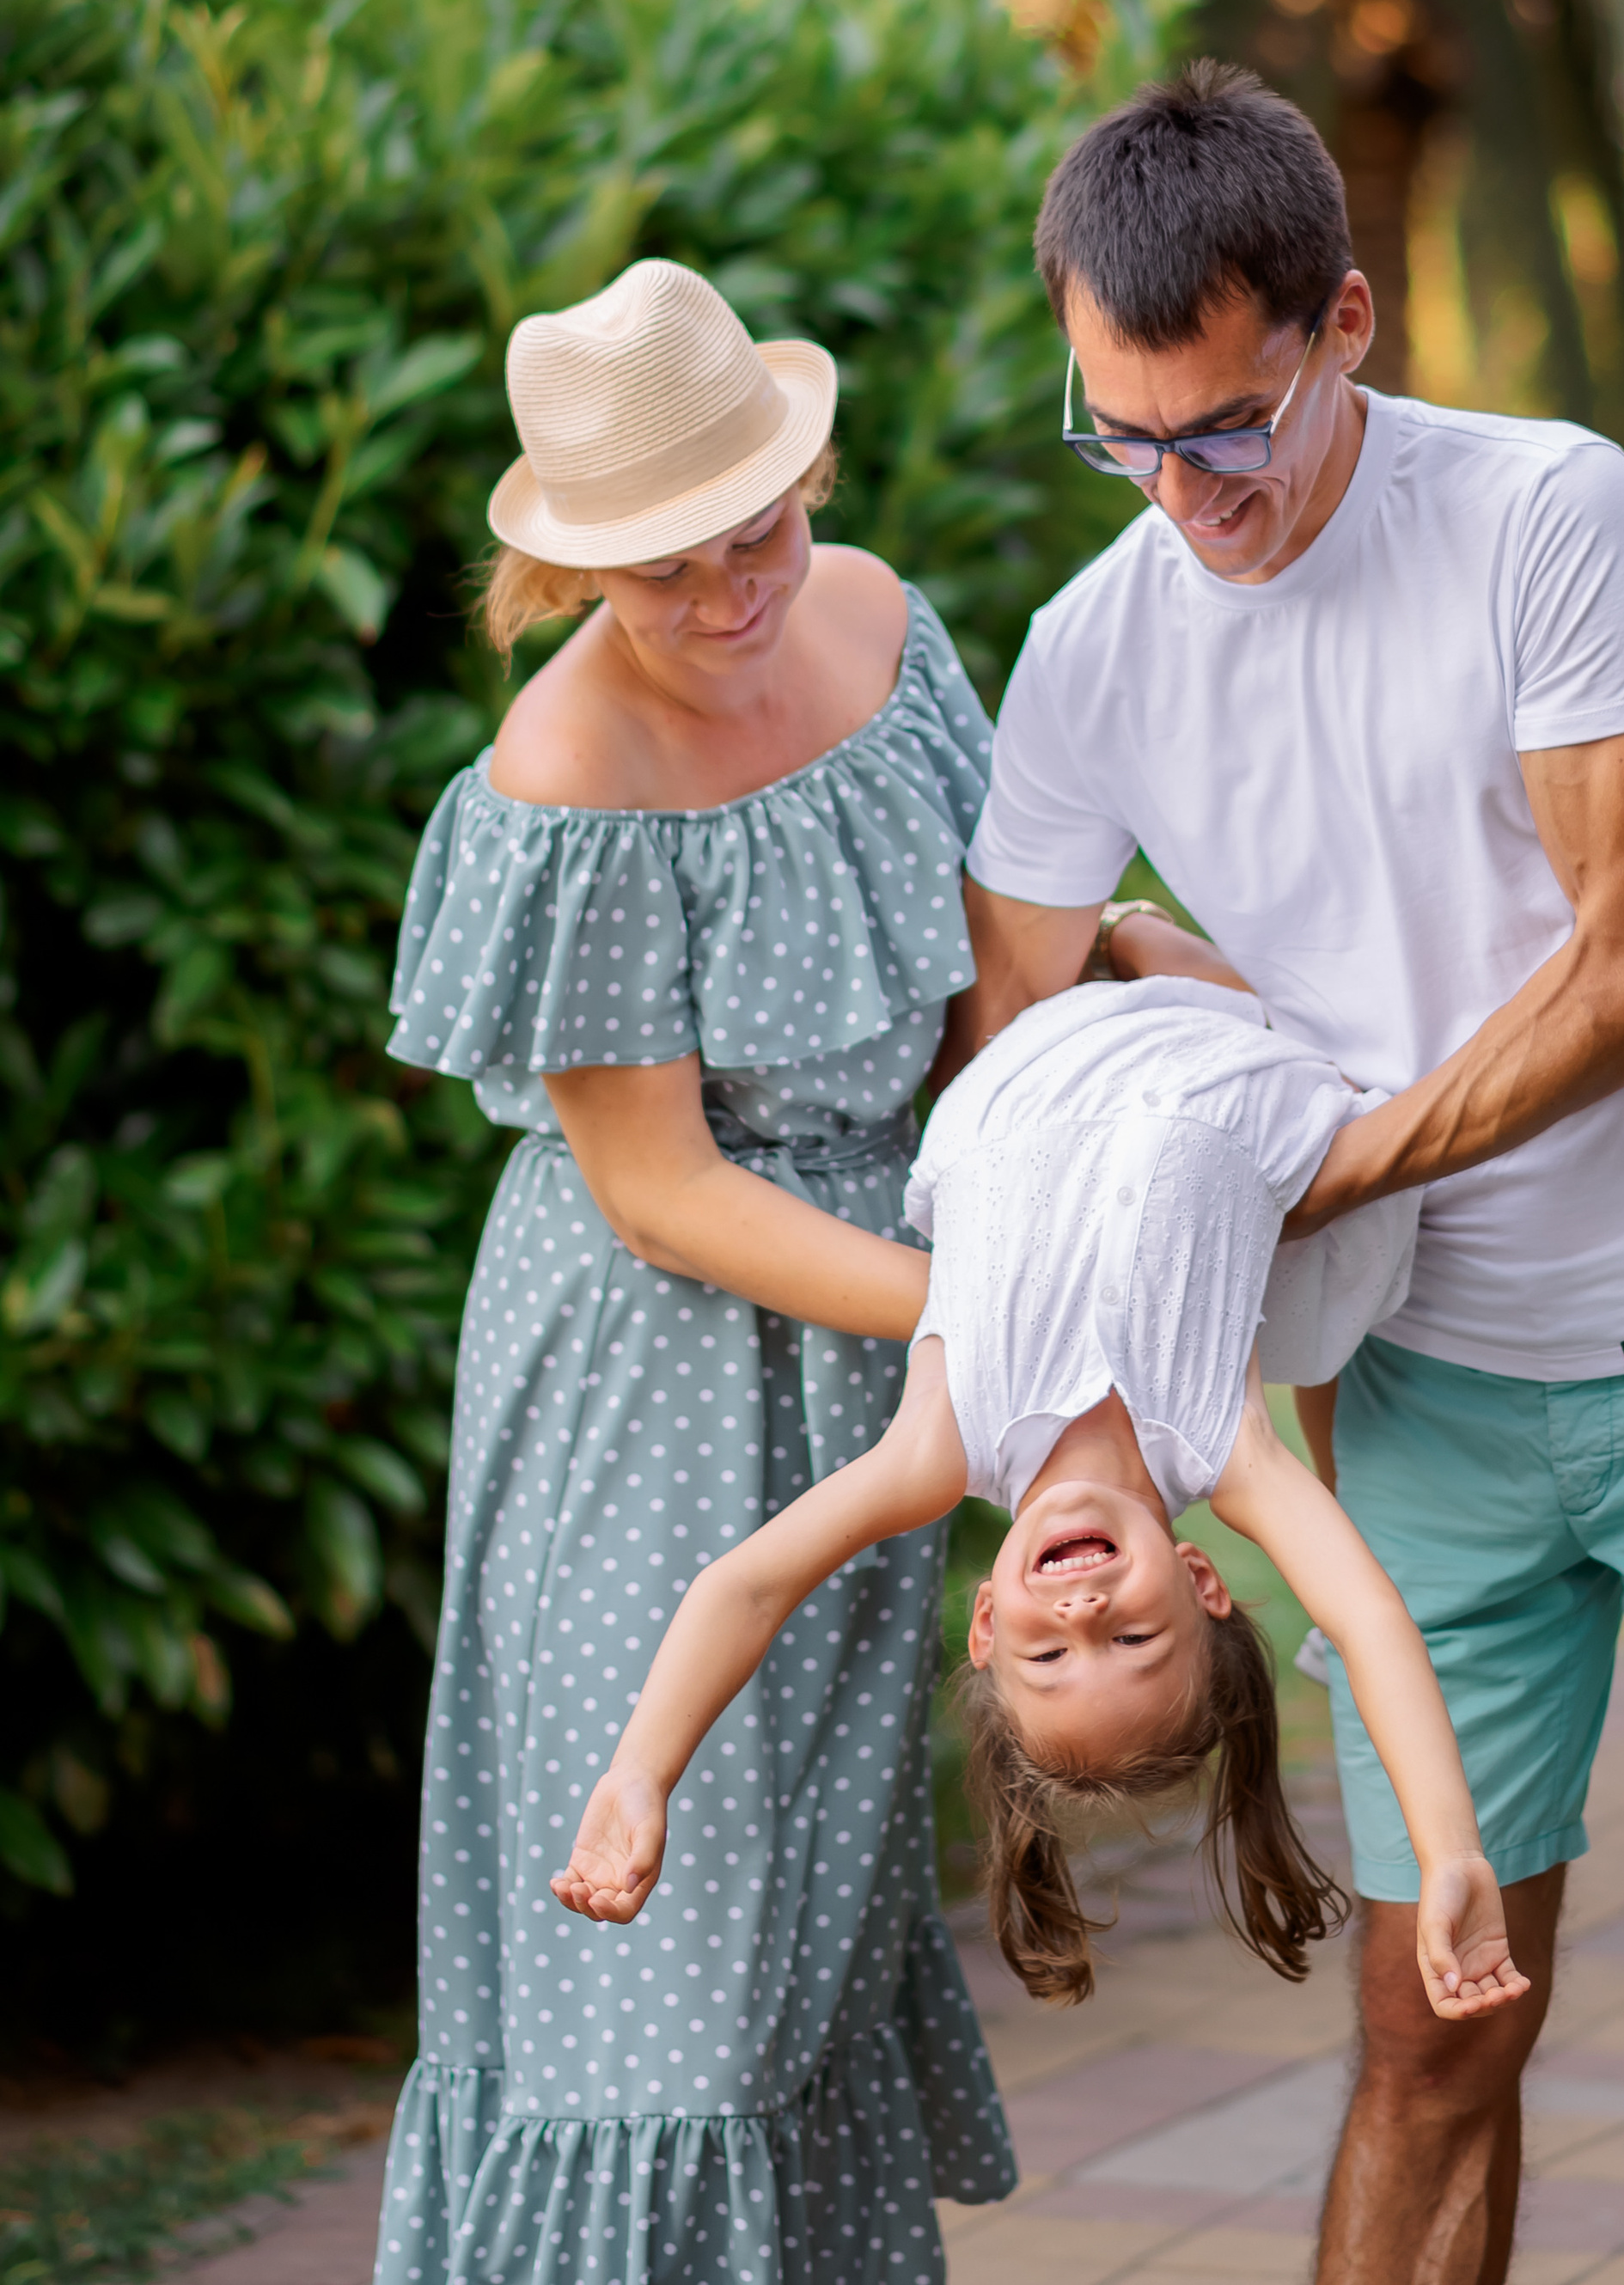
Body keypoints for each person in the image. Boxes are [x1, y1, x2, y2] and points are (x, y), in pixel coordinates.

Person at [962, 64, 1624, 2285]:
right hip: (1421, 1410)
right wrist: (1161, 981)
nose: (1183, 492)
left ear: (1347, 323)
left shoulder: (1547, 517)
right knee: (1425, 2036)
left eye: (1229, 427)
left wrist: (1311, 1166)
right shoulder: (1091, 652)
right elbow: (1021, 1042)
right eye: (1123, 437)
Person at [370, 258, 1015, 2285]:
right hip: (648, 1381)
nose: (732, 590)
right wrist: (974, 1310)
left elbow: (990, 979)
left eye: (758, 529)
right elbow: (656, 1191)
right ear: (576, 566)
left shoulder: (883, 623)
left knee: (806, 1923)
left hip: (867, 1340)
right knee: (676, 1963)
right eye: (665, 567)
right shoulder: (569, 767)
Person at [550, 974, 1527, 2031]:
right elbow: (1370, 1619)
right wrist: (1450, 1852)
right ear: (1202, 1581)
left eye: (1049, 1654)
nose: (1084, 1614)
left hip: (1042, 1046)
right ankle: (1169, 954)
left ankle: (1142, 947)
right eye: (1134, 1638)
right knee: (1343, 1056)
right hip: (1230, 1049)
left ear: (985, 1624)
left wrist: (642, 1770)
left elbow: (748, 1586)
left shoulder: (942, 1443)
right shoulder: (1225, 1445)